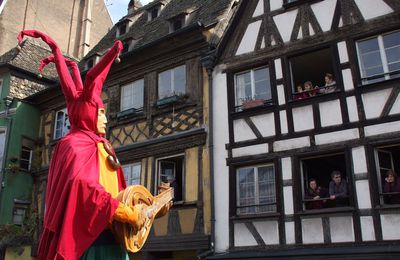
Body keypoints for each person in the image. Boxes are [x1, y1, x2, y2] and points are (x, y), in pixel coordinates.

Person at [18, 30, 170, 260]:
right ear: (88, 114)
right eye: (101, 113)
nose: (106, 119)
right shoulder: (73, 144)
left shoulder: (100, 145)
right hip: (90, 243)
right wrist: (128, 213)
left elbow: (117, 195)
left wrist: (153, 207)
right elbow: (84, 187)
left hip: (114, 240)